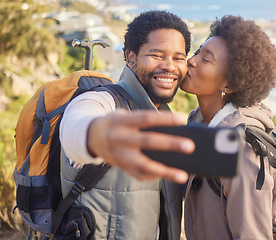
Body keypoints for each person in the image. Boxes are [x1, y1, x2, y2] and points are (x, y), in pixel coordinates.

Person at [59, 10, 195, 239]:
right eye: (157, 54)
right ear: (131, 58)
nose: (170, 66)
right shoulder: (102, 101)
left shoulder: (165, 118)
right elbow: (75, 128)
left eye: (178, 58)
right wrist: (101, 137)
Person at [180, 15, 276, 239]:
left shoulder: (241, 149)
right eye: (197, 52)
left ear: (231, 84)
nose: (191, 61)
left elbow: (252, 234)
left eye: (206, 60)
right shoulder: (200, 124)